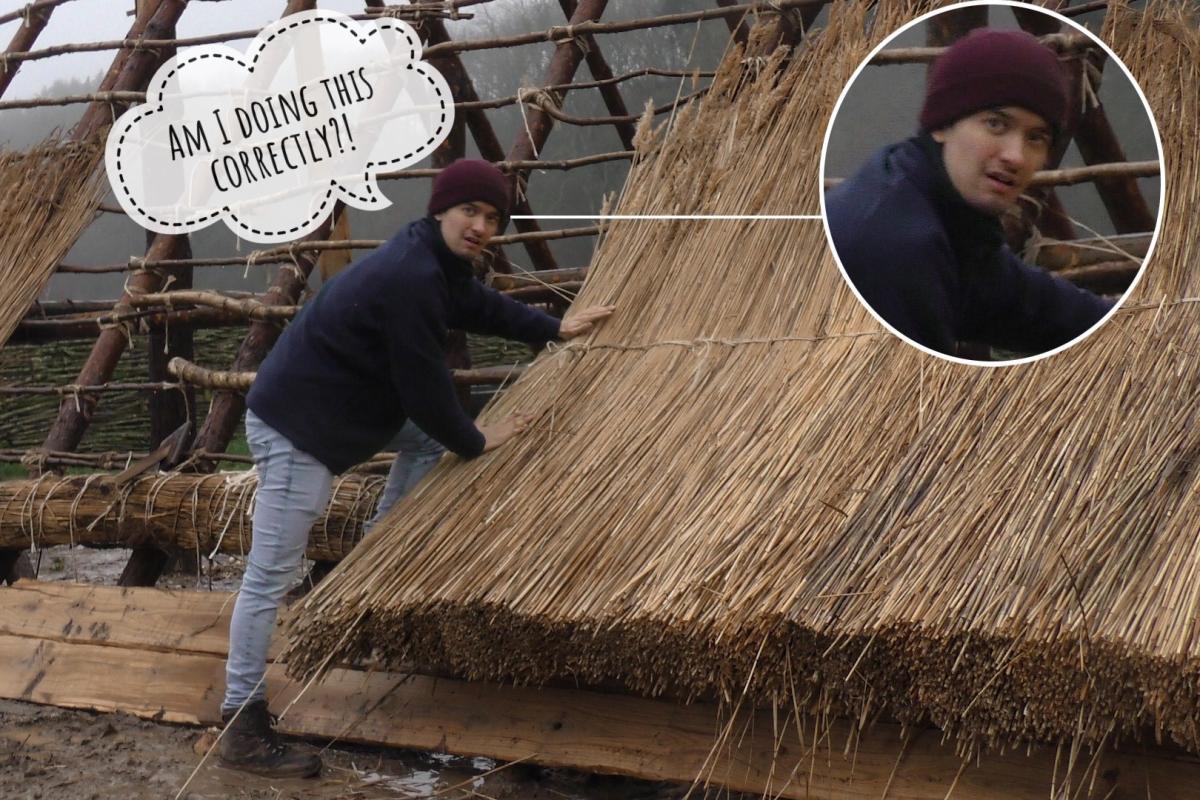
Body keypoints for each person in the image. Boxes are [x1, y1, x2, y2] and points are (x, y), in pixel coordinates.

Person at [218, 158, 614, 777]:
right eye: (469, 212)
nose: (481, 226)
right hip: (298, 427)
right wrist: (477, 439)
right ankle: (241, 723)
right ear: (440, 209)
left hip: (343, 414)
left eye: (491, 217)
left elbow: (478, 306)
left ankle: (378, 553)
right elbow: (425, 388)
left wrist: (556, 326)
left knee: (428, 445)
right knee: (269, 576)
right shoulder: (413, 275)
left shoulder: (435, 262)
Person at [825, 28, 1114, 359]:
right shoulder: (895, 242)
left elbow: (1030, 303)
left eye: (1036, 137)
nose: (1016, 156)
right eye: (996, 124)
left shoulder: (955, 219)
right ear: (941, 126)